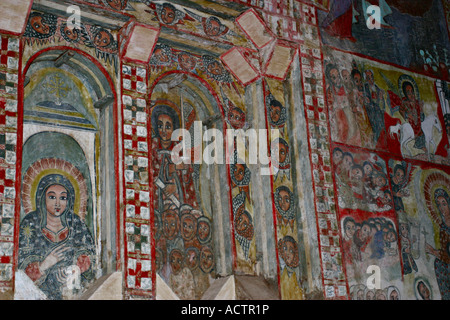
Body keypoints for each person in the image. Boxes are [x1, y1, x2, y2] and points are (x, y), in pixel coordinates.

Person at [18, 174, 96, 300]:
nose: (58, 203)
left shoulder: (76, 225)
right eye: (52, 197)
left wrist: (76, 269)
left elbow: (89, 256)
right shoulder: (30, 223)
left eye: (63, 198)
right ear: (42, 198)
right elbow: (19, 269)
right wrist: (43, 265)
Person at [425, 188, 450, 299]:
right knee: (439, 264)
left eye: (444, 204)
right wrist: (434, 252)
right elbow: (446, 254)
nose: (441, 208)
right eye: (439, 205)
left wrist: (434, 251)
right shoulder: (443, 229)